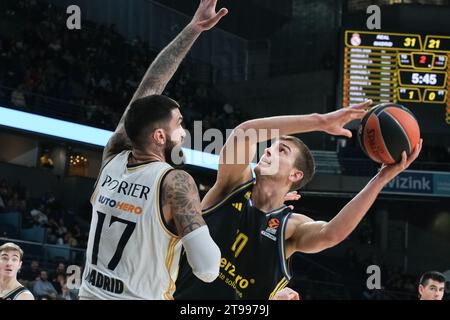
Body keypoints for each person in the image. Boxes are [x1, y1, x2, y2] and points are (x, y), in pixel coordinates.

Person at [175, 100, 423, 299]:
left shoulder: (290, 228)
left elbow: (331, 234)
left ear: (295, 174)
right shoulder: (230, 187)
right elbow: (245, 132)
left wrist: (380, 179)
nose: (268, 150)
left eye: (281, 150)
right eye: (271, 146)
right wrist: (320, 121)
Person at [78, 0, 228, 300]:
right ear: (159, 136)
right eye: (180, 125)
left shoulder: (113, 157)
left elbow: (148, 89)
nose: (184, 133)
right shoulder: (175, 182)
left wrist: (193, 29)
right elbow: (208, 268)